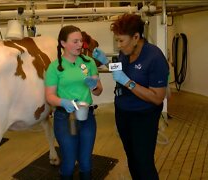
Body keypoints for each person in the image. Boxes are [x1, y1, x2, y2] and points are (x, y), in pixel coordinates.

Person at [93, 13, 169, 179]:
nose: (118, 45)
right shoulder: (125, 52)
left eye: (121, 41)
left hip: (143, 116)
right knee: (132, 158)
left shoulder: (154, 57)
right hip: (123, 112)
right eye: (116, 41)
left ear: (136, 37)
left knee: (144, 162)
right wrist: (106, 62)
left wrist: (129, 83)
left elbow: (157, 97)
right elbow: (119, 70)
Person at [45, 25, 103, 180]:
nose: (80, 45)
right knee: (69, 163)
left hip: (87, 117)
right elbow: (49, 96)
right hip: (64, 118)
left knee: (85, 163)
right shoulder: (54, 67)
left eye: (81, 41)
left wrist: (95, 86)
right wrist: (63, 102)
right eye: (75, 41)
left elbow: (98, 91)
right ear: (63, 43)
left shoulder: (89, 62)